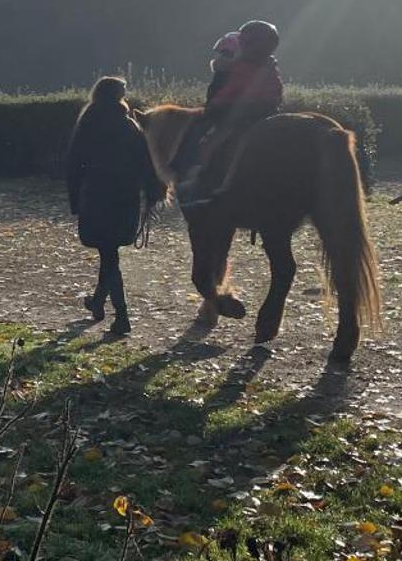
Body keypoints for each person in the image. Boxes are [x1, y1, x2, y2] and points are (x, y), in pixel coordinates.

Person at [66, 76, 165, 336]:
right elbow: (147, 162)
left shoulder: (88, 122)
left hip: (96, 195)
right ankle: (99, 302)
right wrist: (152, 193)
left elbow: (74, 163)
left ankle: (122, 316)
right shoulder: (129, 126)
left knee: (108, 254)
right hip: (124, 197)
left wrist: (75, 199)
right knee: (109, 254)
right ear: (120, 96)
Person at [175, 19, 285, 206]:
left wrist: (213, 108)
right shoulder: (269, 65)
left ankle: (202, 178)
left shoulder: (244, 68)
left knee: (211, 141)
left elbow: (230, 92)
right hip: (267, 110)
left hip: (246, 114)